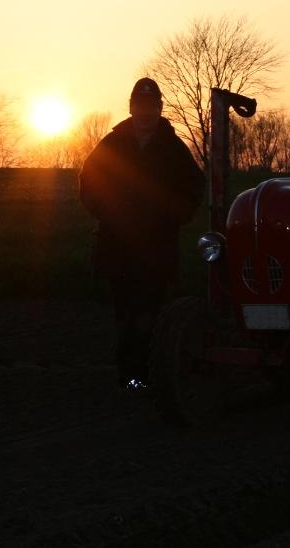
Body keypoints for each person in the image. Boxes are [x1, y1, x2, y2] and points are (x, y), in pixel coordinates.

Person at [79, 77, 205, 390]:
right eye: (140, 106)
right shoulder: (112, 144)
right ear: (132, 108)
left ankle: (147, 374)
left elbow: (193, 187)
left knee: (150, 312)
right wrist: (105, 212)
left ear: (160, 109)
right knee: (125, 313)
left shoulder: (174, 148)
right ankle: (129, 375)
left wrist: (173, 217)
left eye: (152, 107)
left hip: (156, 248)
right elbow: (89, 178)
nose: (146, 113)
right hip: (117, 245)